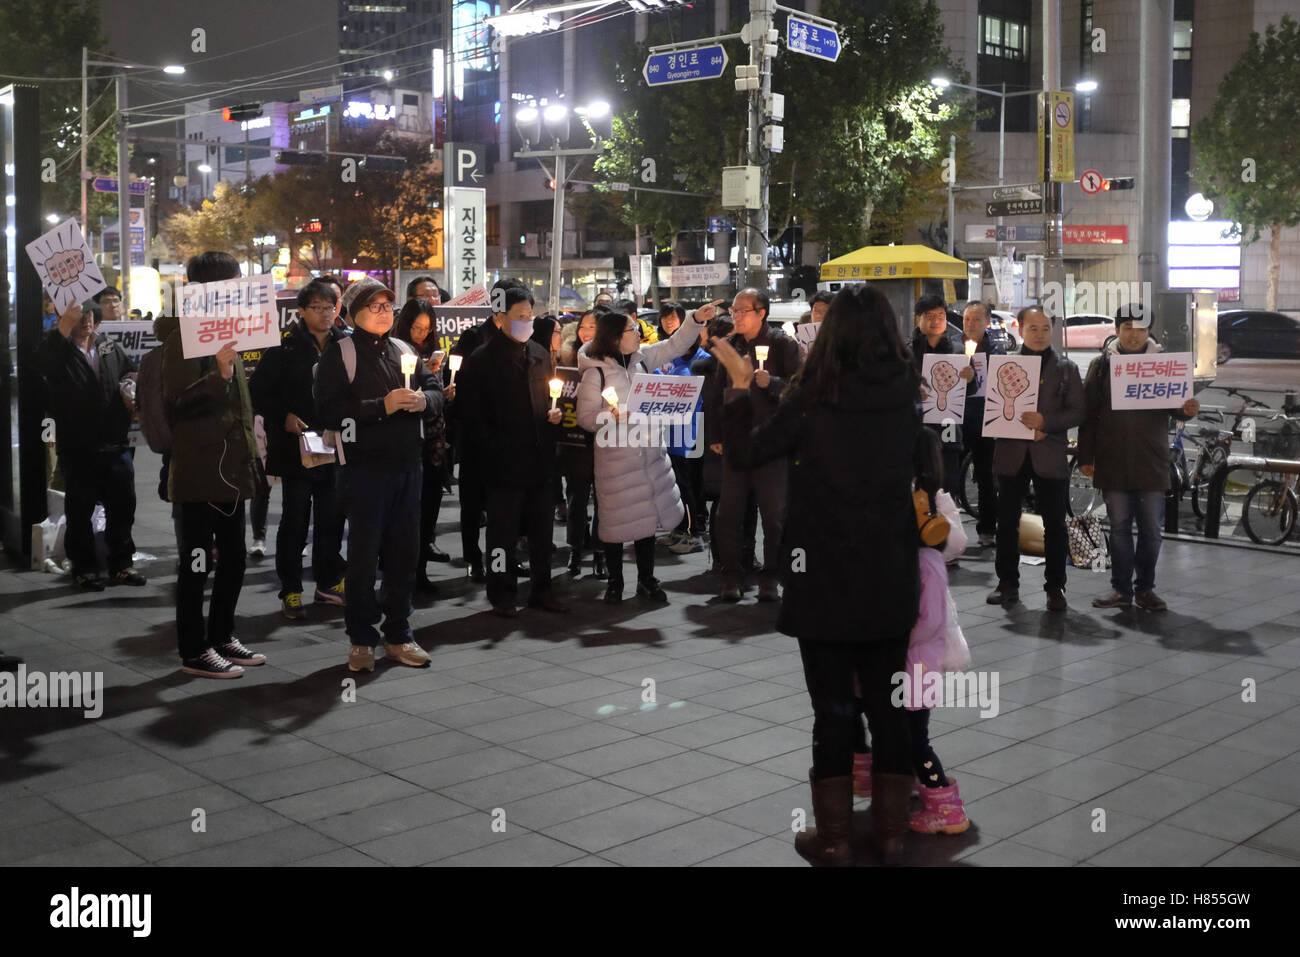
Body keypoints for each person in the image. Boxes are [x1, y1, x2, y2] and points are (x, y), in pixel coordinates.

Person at [711, 283, 921, 867]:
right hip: (889, 572)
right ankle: (891, 833)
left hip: (823, 571)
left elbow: (746, 454)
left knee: (832, 708)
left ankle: (831, 838)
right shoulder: (907, 392)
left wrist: (734, 382)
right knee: (891, 704)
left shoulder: (812, 397)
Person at [315, 277, 443, 672]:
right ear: (355, 314)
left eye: (389, 305)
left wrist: (425, 400)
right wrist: (380, 407)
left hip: (408, 467)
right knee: (363, 558)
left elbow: (436, 391)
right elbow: (329, 412)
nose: (385, 311)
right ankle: (361, 639)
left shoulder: (405, 349)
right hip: (364, 472)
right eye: (376, 306)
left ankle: (400, 634)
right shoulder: (342, 354)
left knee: (404, 555)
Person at [158, 251, 265, 678]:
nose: (242, 287)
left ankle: (222, 635)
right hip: (200, 473)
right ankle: (193, 650)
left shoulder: (229, 334)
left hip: (232, 472)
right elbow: (176, 405)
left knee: (234, 558)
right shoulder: (181, 339)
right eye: (235, 280)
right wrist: (217, 375)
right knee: (197, 562)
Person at [576, 301, 718, 603]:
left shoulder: (642, 360)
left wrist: (695, 319)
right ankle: (615, 583)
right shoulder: (596, 374)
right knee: (614, 525)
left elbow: (675, 344)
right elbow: (586, 418)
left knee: (645, 524)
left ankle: (647, 580)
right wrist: (610, 417)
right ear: (615, 337)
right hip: (616, 461)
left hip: (649, 456)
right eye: (632, 330)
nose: (639, 334)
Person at [1077, 302, 1199, 611]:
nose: (1134, 334)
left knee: (1151, 529)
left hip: (1151, 459)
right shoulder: (1102, 365)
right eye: (1128, 328)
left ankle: (1145, 588)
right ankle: (1121, 590)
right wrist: (1085, 456)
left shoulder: (1163, 364)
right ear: (1117, 330)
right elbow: (1089, 415)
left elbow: (1175, 407)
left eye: (1141, 328)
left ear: (1149, 331)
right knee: (1118, 527)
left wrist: (1186, 409)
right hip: (1113, 459)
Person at [457, 282, 567, 617]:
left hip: (539, 461)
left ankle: (541, 589)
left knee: (540, 531)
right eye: (520, 316)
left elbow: (553, 398)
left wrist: (555, 416)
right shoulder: (482, 359)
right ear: (501, 319)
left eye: (530, 315)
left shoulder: (538, 354)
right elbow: (470, 416)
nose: (526, 321)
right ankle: (501, 591)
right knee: (501, 534)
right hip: (503, 464)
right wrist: (491, 452)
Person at [249, 278, 348, 619]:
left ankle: (328, 581)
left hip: (335, 446)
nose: (324, 314)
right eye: (317, 307)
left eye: (330, 307)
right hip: (296, 449)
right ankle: (291, 589)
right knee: (294, 520)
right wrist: (283, 417)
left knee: (332, 519)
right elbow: (258, 393)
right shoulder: (283, 349)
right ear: (302, 311)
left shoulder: (346, 346)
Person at [36, 297, 143, 590]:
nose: (87, 321)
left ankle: (121, 564)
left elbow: (128, 370)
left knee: (123, 506)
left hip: (115, 441)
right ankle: (83, 568)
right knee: (80, 509)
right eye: (80, 316)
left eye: (91, 316)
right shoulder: (57, 347)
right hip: (79, 444)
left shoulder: (107, 345)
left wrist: (129, 386)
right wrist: (62, 329)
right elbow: (43, 366)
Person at [986, 307, 1085, 611]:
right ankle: (1006, 582)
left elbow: (1078, 411)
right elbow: (993, 406)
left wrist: (1046, 422)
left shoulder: (1066, 368)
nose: (1040, 334)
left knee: (1054, 524)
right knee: (1007, 523)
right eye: (1033, 328)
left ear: (1051, 330)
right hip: (1011, 453)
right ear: (1021, 330)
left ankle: (1055, 587)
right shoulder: (1004, 365)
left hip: (1049, 452)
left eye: (1045, 328)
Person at [707, 287, 802, 602]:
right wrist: (716, 436)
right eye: (733, 311)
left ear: (762, 312)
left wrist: (772, 383)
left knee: (773, 514)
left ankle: (770, 578)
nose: (736, 316)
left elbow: (800, 390)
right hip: (736, 443)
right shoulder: (731, 345)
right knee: (727, 513)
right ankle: (731, 576)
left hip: (771, 444)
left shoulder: (782, 345)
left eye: (743, 310)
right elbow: (717, 392)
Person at [448, 278, 514, 582]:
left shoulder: (521, 337)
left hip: (509, 435)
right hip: (476, 434)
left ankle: (503, 560)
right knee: (472, 502)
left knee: (504, 504)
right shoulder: (474, 337)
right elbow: (458, 380)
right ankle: (473, 558)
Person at [394, 298, 453, 582]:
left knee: (431, 496)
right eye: (416, 328)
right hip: (407, 435)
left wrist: (443, 391)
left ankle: (422, 561)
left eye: (427, 329)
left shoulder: (435, 351)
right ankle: (405, 569)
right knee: (407, 508)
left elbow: (436, 394)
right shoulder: (394, 350)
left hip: (433, 435)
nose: (421, 334)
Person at [654, 302, 710, 555]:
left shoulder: (706, 362)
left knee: (689, 483)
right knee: (675, 482)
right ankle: (681, 528)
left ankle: (693, 531)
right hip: (669, 431)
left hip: (693, 432)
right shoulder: (666, 356)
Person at [558, 310, 601, 577]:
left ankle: (601, 552)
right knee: (577, 498)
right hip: (574, 440)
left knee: (604, 500)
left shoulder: (611, 360)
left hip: (603, 437)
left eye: (593, 326)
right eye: (583, 326)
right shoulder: (566, 357)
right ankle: (575, 548)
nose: (586, 331)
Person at [961, 300, 1006, 548]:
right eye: (967, 319)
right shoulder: (955, 348)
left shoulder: (996, 352)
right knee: (948, 473)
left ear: (987, 322)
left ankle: (987, 529)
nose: (970, 324)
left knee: (986, 477)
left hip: (985, 420)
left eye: (976, 319)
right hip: (957, 420)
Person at [911, 293, 965, 495]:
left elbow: (970, 393)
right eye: (929, 316)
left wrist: (970, 379)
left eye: (940, 316)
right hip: (917, 428)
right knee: (919, 491)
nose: (936, 321)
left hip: (949, 427)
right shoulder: (907, 351)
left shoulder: (957, 351)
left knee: (947, 487)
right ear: (919, 318)